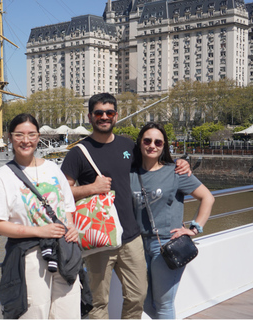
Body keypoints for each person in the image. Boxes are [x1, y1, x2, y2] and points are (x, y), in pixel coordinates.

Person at [61, 93, 190, 319]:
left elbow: (154, 161)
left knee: (138, 295)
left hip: (131, 237)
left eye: (109, 113)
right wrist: (91, 188)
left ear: (116, 116)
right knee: (98, 303)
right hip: (98, 238)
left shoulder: (128, 145)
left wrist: (179, 162)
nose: (104, 117)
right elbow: (60, 194)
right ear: (90, 116)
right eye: (98, 113)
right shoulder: (78, 153)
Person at [0, 113, 81, 319]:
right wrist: (39, 231)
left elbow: (68, 208)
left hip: (64, 251)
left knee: (68, 313)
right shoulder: (2, 176)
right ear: (10, 137)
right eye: (19, 135)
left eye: (31, 134)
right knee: (35, 312)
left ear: (38, 137)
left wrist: (72, 228)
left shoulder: (53, 168)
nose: (25, 140)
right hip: (30, 256)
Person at [130, 122, 214, 319]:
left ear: (164, 146)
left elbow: (207, 198)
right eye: (147, 140)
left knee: (164, 303)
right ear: (140, 143)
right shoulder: (130, 173)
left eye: (158, 142)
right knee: (139, 298)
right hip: (137, 245)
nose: (152, 145)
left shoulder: (175, 172)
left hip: (167, 245)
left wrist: (194, 228)